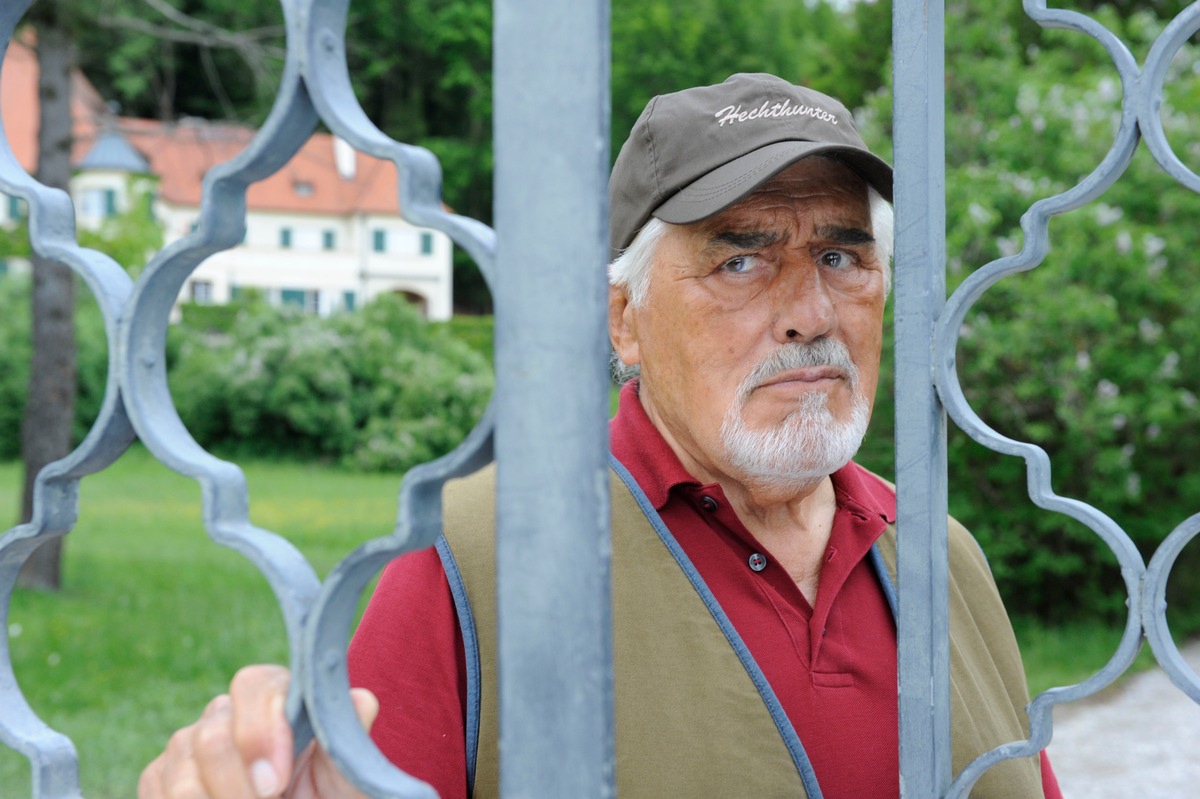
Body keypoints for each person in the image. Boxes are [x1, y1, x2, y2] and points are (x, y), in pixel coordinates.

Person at [140, 73, 1062, 799]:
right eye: (741, 259)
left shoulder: (942, 556)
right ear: (624, 318)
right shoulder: (476, 556)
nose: (810, 312)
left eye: (841, 255)